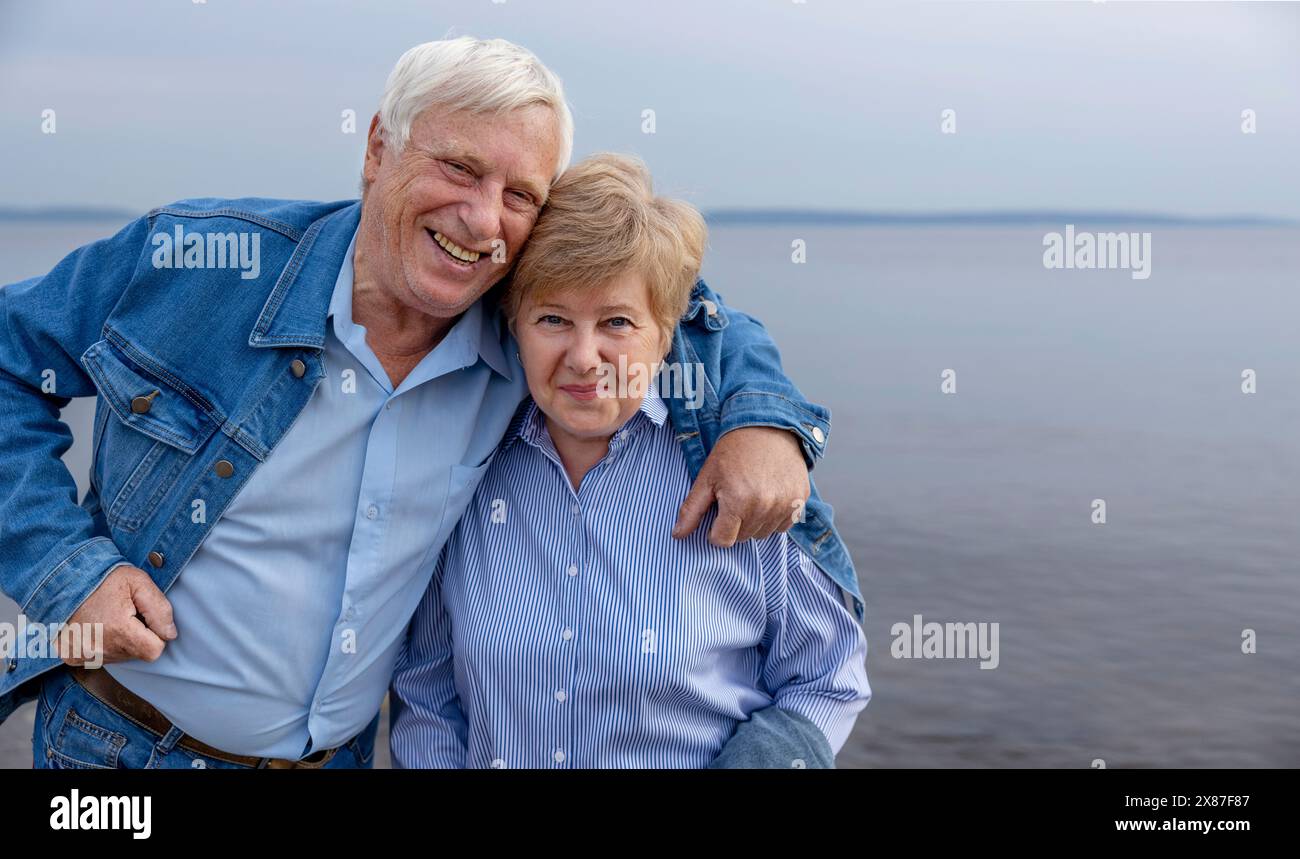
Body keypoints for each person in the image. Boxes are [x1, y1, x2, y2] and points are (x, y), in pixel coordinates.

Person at [0, 37, 859, 769]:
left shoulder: (519, 320)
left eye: (520, 195)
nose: (482, 218)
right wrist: (70, 573)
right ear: (378, 147)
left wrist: (763, 419)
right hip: (116, 748)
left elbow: (666, 297)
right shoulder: (201, 262)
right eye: (458, 166)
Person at [390, 154, 869, 768]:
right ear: (515, 327)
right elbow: (428, 691)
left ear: (667, 332)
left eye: (616, 322)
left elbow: (828, 677)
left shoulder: (735, 477)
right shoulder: (468, 472)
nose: (584, 357)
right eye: (553, 319)